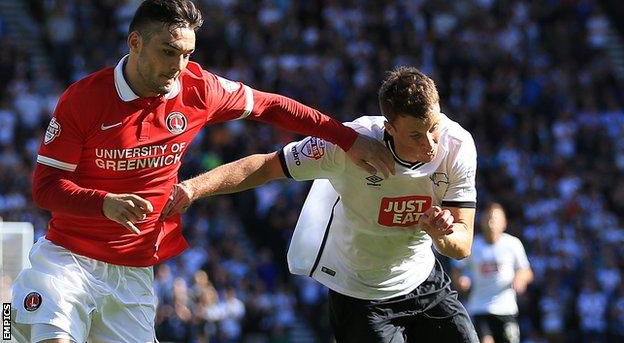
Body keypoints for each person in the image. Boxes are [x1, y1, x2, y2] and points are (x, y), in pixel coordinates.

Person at [10, 0, 395, 342]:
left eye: (188, 54)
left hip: (133, 273)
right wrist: (105, 203)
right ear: (135, 43)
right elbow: (45, 188)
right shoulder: (83, 100)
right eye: (168, 51)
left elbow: (272, 106)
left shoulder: (198, 89)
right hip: (68, 259)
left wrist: (346, 138)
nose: (179, 66)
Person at [162, 66, 480, 342]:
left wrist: (441, 234)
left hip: (423, 280)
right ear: (390, 128)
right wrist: (192, 188)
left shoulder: (457, 146)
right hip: (360, 297)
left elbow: (461, 245)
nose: (430, 145)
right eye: (415, 135)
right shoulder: (348, 146)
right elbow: (265, 166)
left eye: (434, 127)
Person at [452, 203, 534, 343]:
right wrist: (460, 280)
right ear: (481, 222)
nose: (491, 223)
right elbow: (457, 268)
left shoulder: (513, 244)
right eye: (488, 219)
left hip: (506, 308)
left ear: (504, 223)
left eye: (495, 219)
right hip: (480, 307)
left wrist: (520, 278)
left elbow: (527, 271)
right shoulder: (473, 245)